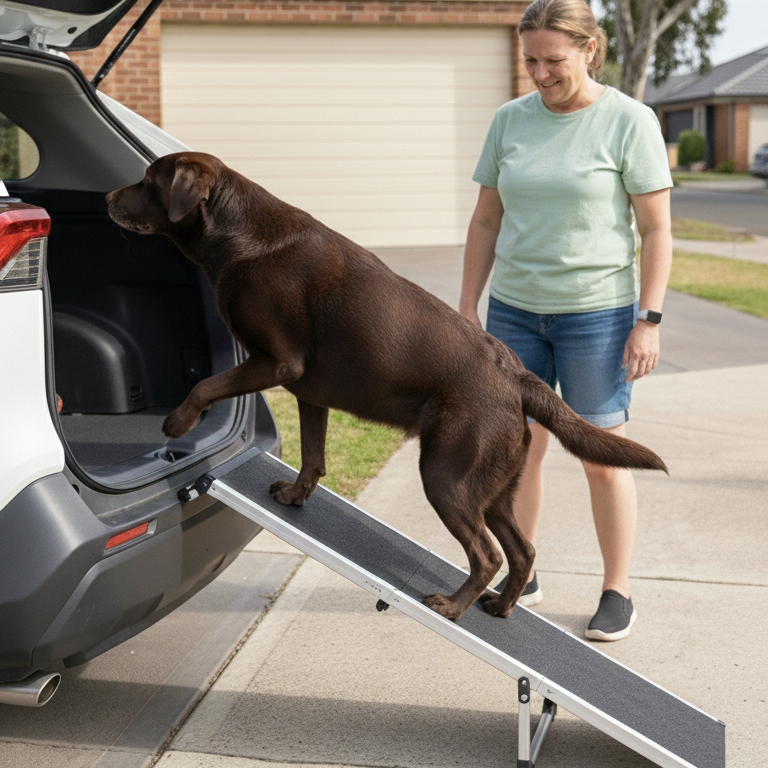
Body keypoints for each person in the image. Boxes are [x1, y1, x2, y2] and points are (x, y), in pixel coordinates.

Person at [459, 0, 673, 641]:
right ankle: (523, 571)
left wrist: (649, 319)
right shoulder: (509, 121)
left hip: (598, 317)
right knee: (515, 453)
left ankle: (617, 590)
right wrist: (467, 309)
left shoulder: (629, 121)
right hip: (514, 315)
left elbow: (656, 227)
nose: (540, 73)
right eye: (530, 60)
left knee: (602, 458)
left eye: (553, 60)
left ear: (589, 49)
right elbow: (486, 220)